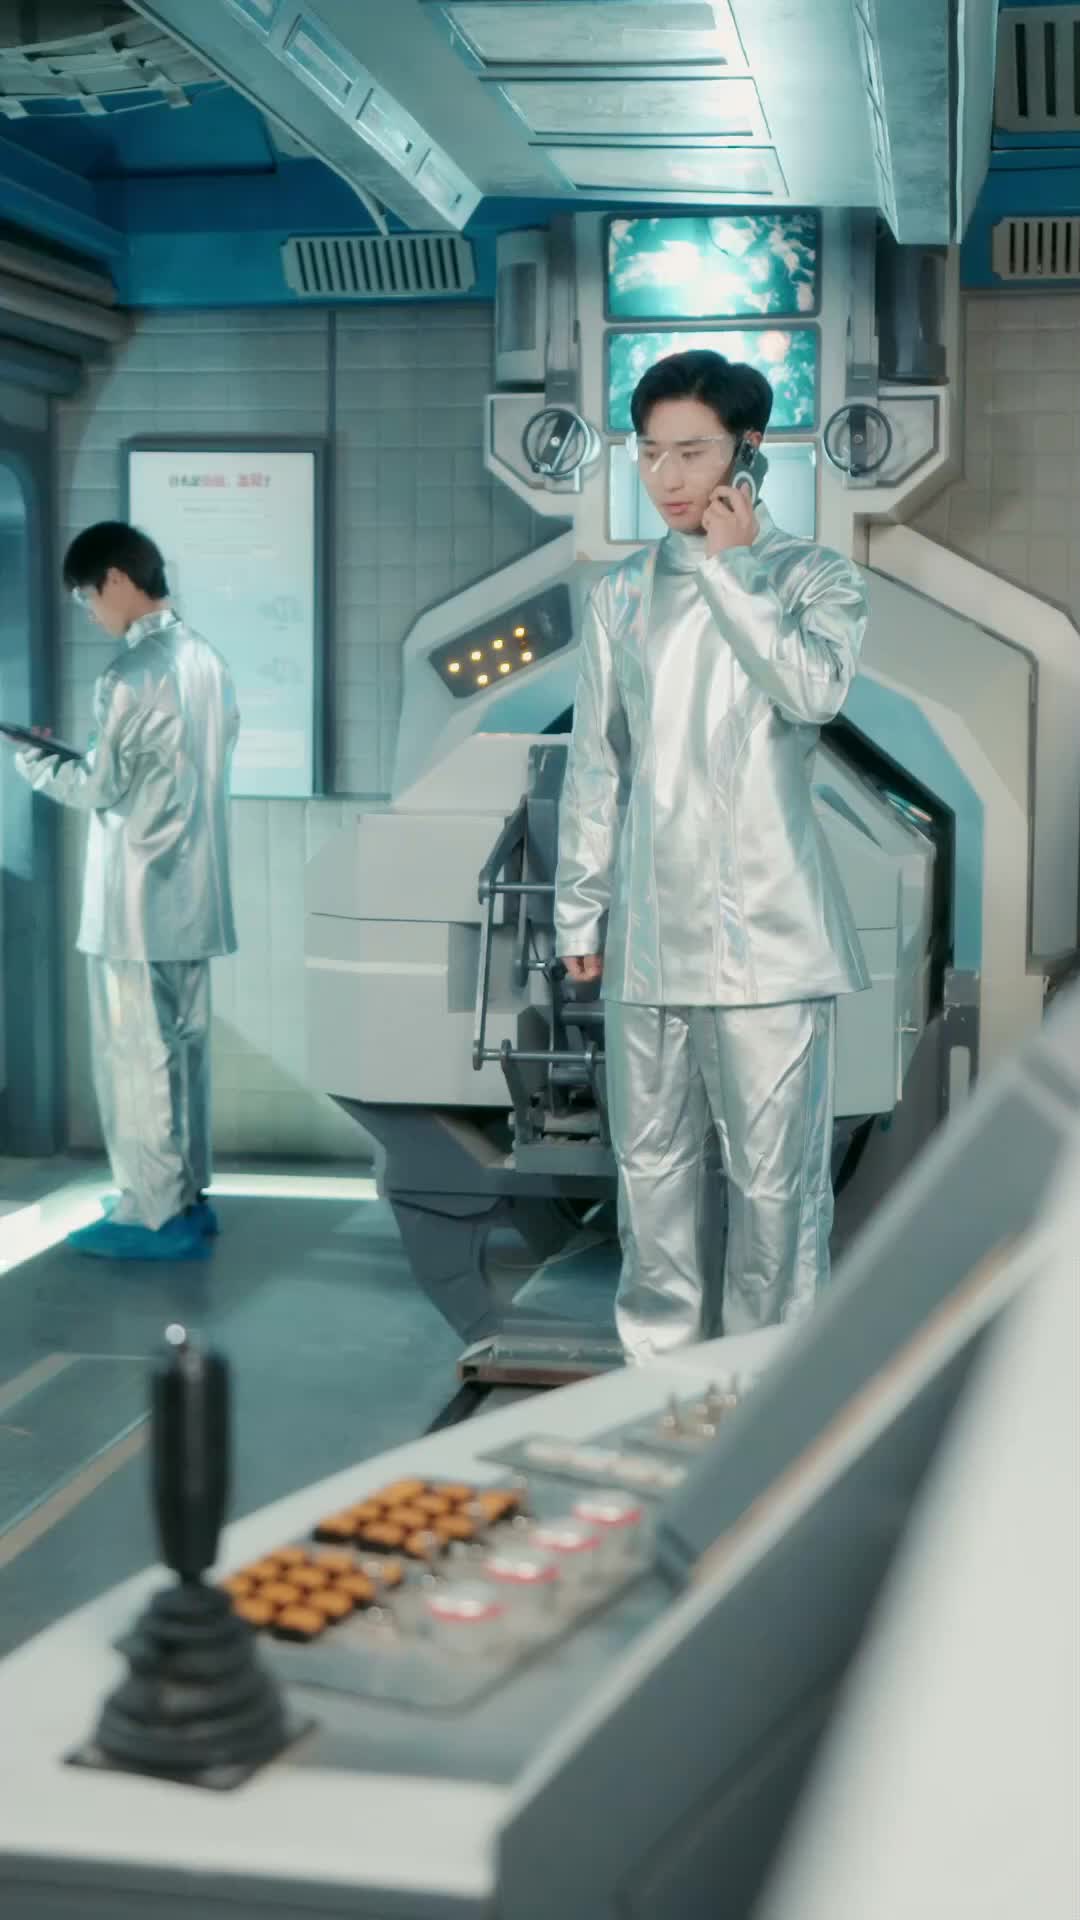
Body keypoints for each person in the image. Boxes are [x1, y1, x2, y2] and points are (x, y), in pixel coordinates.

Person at [554, 350, 869, 1361]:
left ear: (749, 449)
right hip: (650, 938)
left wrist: (732, 572)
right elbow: (597, 762)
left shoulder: (813, 576)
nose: (669, 476)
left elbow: (812, 693)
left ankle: (767, 1393)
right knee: (649, 1180)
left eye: (692, 451)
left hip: (771, 942)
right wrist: (579, 908)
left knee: (777, 1191)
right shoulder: (620, 594)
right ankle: (657, 1390)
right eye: (650, 453)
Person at [15, 522, 239, 1261]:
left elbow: (100, 787)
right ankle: (187, 1196)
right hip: (196, 893)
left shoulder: (127, 674)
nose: (89, 611)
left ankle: (149, 1212)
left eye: (87, 596)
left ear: (115, 579)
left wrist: (32, 763)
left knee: (136, 1058)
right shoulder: (206, 661)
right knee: (185, 1051)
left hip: (135, 902)